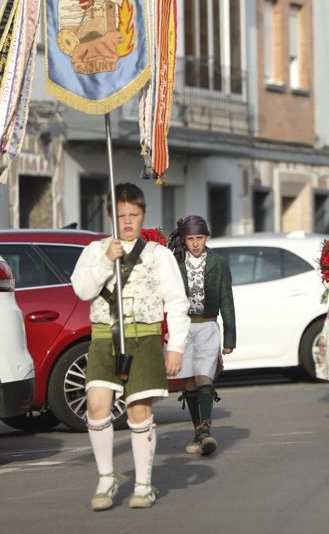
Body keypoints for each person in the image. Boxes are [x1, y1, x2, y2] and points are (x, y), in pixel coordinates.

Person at [71, 183, 190, 510]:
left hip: (145, 337)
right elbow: (82, 290)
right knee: (97, 405)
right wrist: (107, 261)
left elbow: (177, 302)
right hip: (104, 337)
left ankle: (142, 484)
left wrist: (176, 345)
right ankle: (107, 478)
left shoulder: (159, 255)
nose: (127, 221)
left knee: (139, 411)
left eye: (133, 215)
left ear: (143, 215)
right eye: (121, 215)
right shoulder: (95, 251)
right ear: (112, 216)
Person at [167, 215, 235, 456]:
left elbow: (227, 300)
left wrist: (229, 339)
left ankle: (206, 430)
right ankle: (198, 430)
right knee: (188, 380)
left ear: (207, 238)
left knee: (204, 376)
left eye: (199, 238)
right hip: (182, 327)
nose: (195, 243)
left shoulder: (219, 262)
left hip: (208, 326)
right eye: (190, 239)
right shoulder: (175, 263)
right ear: (184, 240)